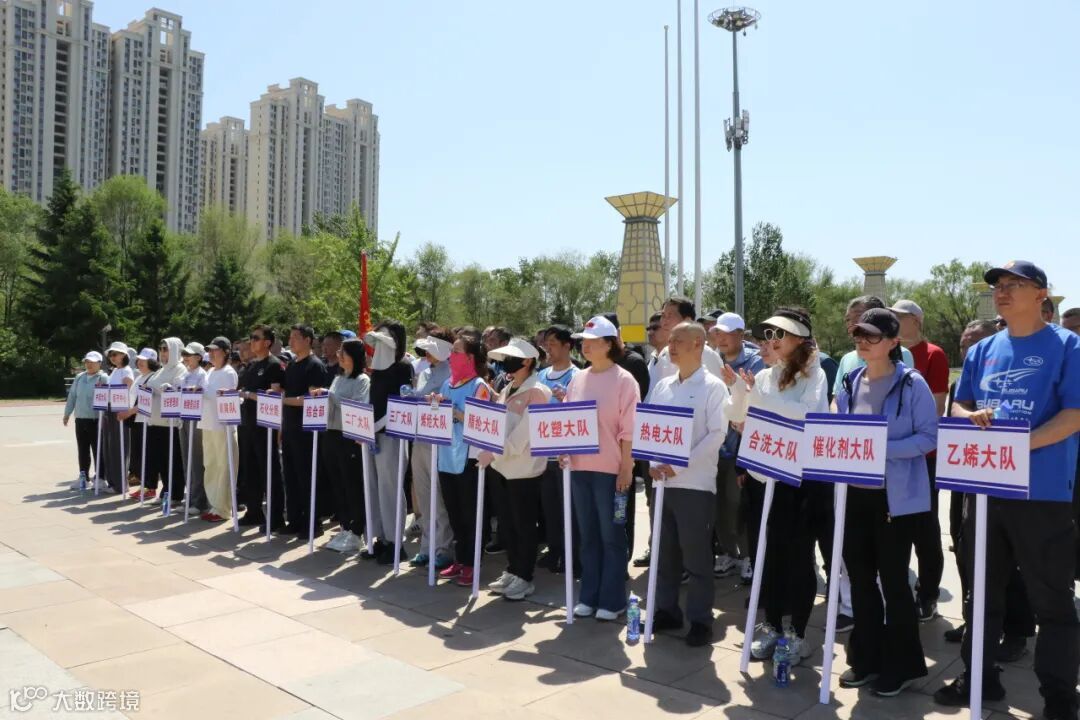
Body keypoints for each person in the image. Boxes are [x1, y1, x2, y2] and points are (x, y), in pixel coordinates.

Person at [935, 261, 1080, 720]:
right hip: (985, 489)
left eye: (1014, 284)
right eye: (998, 285)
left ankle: (1060, 696)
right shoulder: (984, 350)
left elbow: (1074, 415)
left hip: (1042, 493)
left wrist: (1019, 445)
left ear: (1040, 294)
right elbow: (959, 404)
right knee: (981, 593)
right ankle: (979, 678)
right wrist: (968, 417)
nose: (1002, 291)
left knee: (1052, 600)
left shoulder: (1068, 346)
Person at [833, 308, 936, 697]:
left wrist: (881, 450)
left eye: (872, 336)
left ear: (894, 342)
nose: (862, 341)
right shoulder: (850, 381)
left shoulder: (912, 384)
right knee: (860, 581)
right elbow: (840, 431)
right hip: (855, 496)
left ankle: (903, 665)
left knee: (894, 583)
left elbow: (929, 437)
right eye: (859, 334)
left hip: (895, 500)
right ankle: (866, 658)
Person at [722, 308, 828, 664]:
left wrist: (757, 400)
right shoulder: (764, 377)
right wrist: (739, 390)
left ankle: (797, 631)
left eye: (778, 335)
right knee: (766, 555)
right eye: (766, 336)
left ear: (799, 339)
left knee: (799, 557)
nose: (770, 342)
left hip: (799, 481)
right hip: (762, 476)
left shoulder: (814, 375)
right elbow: (738, 417)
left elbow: (808, 415)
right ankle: (771, 624)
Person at [943, 319, 1035, 662]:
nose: (969, 351)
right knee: (967, 551)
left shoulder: (1012, 382)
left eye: (976, 344)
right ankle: (975, 622)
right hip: (966, 476)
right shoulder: (963, 384)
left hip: (1008, 481)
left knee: (1010, 561)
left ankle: (1017, 631)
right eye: (964, 345)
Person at [646, 322, 730, 646]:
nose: (671, 346)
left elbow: (716, 435)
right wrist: (653, 464)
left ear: (698, 343)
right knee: (664, 554)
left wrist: (679, 465)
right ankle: (667, 610)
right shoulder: (663, 386)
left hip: (695, 484)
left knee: (696, 558)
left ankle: (700, 620)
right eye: (670, 340)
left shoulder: (713, 386)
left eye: (678, 340)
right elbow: (651, 428)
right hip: (662, 484)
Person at [563, 315, 639, 620]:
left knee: (612, 536)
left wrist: (627, 467)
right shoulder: (578, 379)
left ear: (609, 344)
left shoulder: (624, 380)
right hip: (579, 468)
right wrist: (562, 450)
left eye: (593, 341)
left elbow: (629, 429)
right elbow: (567, 420)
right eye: (584, 341)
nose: (585, 346)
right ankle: (589, 595)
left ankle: (612, 599)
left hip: (611, 471)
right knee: (588, 536)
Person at [891, 299, 950, 622]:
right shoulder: (888, 352)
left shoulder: (933, 354)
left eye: (900, 317)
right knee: (895, 528)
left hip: (923, 457)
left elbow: (936, 408)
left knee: (925, 529)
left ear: (916, 320)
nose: (895, 321)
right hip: (891, 458)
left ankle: (928, 594)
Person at [482, 337, 552, 601]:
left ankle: (524, 576)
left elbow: (523, 435)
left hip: (523, 469)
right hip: (501, 467)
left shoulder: (538, 392)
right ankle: (512, 569)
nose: (506, 363)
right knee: (508, 523)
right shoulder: (508, 387)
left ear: (527, 361)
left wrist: (494, 451)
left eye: (512, 358)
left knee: (524, 524)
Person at [432, 332, 493, 588]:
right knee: (454, 511)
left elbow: (483, 422)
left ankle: (472, 563)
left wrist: (455, 412)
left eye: (456, 352)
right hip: (446, 454)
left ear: (470, 357)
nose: (451, 356)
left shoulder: (479, 386)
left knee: (470, 513)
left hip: (469, 457)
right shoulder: (447, 384)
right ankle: (460, 558)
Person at [709, 312, 765, 583]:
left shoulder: (755, 362)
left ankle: (749, 557)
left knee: (739, 505)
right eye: (717, 333)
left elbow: (753, 404)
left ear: (741, 335)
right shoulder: (712, 360)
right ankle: (729, 553)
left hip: (740, 448)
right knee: (719, 507)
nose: (721, 338)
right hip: (714, 447)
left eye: (727, 333)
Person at [365, 321, 415, 564]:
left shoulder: (402, 367)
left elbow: (401, 403)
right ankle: (380, 537)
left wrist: (376, 426)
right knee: (373, 486)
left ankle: (396, 542)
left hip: (392, 434)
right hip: (372, 433)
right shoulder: (377, 368)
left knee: (390, 488)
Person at [316, 338, 371, 553]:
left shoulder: (362, 380)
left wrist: (330, 395)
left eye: (343, 352)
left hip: (349, 437)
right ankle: (345, 526)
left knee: (351, 484)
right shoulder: (338, 378)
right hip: (331, 433)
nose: (339, 355)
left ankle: (357, 531)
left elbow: (358, 406)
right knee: (337, 483)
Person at [408, 330, 454, 569]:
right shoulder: (424, 372)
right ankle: (427, 546)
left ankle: (443, 548)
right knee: (424, 495)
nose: (426, 353)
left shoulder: (451, 374)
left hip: (439, 441)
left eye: (431, 348)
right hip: (420, 438)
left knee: (439, 498)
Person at [537, 325, 581, 574]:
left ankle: (572, 556)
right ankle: (554, 551)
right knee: (550, 508)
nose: (548, 348)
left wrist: (568, 399)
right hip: (543, 453)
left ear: (567, 346)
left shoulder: (578, 376)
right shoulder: (541, 375)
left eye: (553, 343)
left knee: (570, 509)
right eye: (546, 344)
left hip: (567, 454)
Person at [280, 325, 328, 536]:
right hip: (289, 428)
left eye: (295, 337)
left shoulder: (314, 365)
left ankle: (312, 523)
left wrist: (285, 400)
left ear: (308, 340)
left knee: (307, 476)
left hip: (307, 432)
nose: (291, 341)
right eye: (290, 337)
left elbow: (311, 399)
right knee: (290, 476)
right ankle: (294, 520)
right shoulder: (291, 365)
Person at [236, 325, 285, 529]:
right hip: (248, 423)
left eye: (256, 338)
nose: (252, 342)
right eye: (251, 338)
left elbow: (276, 394)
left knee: (269, 471)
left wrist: (249, 395)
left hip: (265, 426)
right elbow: (242, 389)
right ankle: (254, 512)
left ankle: (275, 517)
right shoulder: (251, 366)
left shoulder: (274, 365)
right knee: (250, 471)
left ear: (267, 342)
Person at [831, 296, 915, 401]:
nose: (852, 323)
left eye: (859, 316)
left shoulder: (904, 355)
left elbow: (906, 399)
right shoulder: (846, 359)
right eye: (848, 319)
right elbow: (837, 399)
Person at [138, 337, 187, 503]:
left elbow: (176, 389)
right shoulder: (161, 370)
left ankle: (175, 494)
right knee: (160, 460)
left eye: (166, 349)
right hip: (154, 421)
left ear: (174, 350)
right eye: (160, 349)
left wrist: (157, 388)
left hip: (170, 422)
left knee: (172, 460)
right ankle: (166, 491)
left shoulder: (180, 369)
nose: (162, 352)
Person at [199, 337, 238, 522]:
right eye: (210, 350)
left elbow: (224, 397)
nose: (211, 353)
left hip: (222, 425)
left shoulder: (229, 372)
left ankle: (222, 508)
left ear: (225, 352)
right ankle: (214, 504)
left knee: (224, 466)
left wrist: (201, 392)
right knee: (210, 464)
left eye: (215, 350)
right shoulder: (210, 371)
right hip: (207, 423)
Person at [650, 297, 724, 385]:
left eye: (670, 316)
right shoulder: (664, 354)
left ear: (687, 320)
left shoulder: (706, 354)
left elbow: (718, 387)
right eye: (663, 316)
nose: (664, 322)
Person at [64, 351, 108, 489]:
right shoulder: (79, 377)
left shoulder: (103, 378)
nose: (89, 364)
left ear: (99, 363)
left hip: (96, 420)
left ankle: (100, 478)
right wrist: (67, 413)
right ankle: (83, 477)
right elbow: (72, 396)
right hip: (80, 419)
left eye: (92, 362)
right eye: (87, 362)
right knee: (82, 450)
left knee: (98, 450)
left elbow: (108, 398)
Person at [120, 348, 159, 488]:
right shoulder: (139, 377)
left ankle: (148, 485)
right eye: (139, 360)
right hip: (136, 420)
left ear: (152, 362)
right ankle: (140, 480)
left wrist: (129, 412)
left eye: (144, 360)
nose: (140, 362)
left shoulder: (153, 377)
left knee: (147, 454)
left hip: (146, 421)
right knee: (137, 452)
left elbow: (145, 401)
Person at [100, 342, 135, 494]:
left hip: (119, 410)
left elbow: (129, 388)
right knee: (110, 447)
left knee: (119, 447)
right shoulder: (115, 370)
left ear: (123, 355)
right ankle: (113, 482)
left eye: (115, 354)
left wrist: (124, 408)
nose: (112, 357)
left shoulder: (126, 370)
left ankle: (120, 484)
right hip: (109, 409)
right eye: (110, 355)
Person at [179, 342, 208, 515]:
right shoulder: (185, 373)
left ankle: (199, 501)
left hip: (196, 419)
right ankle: (190, 497)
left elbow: (203, 393)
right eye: (184, 355)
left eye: (189, 355)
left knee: (197, 460)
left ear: (198, 357)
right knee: (186, 459)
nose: (185, 358)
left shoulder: (202, 374)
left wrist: (196, 390)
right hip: (183, 418)